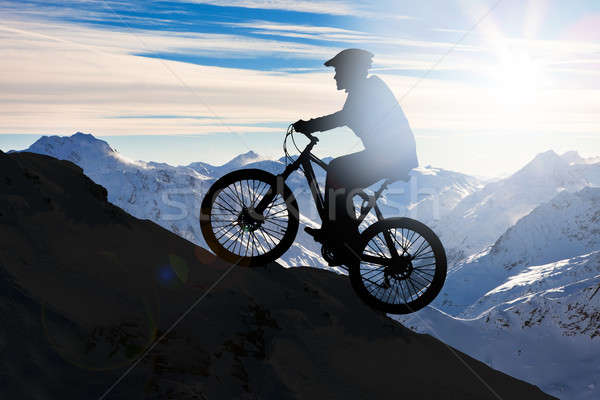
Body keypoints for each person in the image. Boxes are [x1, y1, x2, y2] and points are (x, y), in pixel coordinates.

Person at [293, 48, 418, 261]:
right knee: (341, 175)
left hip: (392, 156)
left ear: (351, 70)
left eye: (338, 70)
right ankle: (339, 233)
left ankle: (346, 239)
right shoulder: (367, 89)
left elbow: (343, 117)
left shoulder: (367, 90)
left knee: (338, 169)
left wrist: (309, 125)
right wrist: (311, 125)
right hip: (391, 155)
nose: (335, 76)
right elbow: (346, 117)